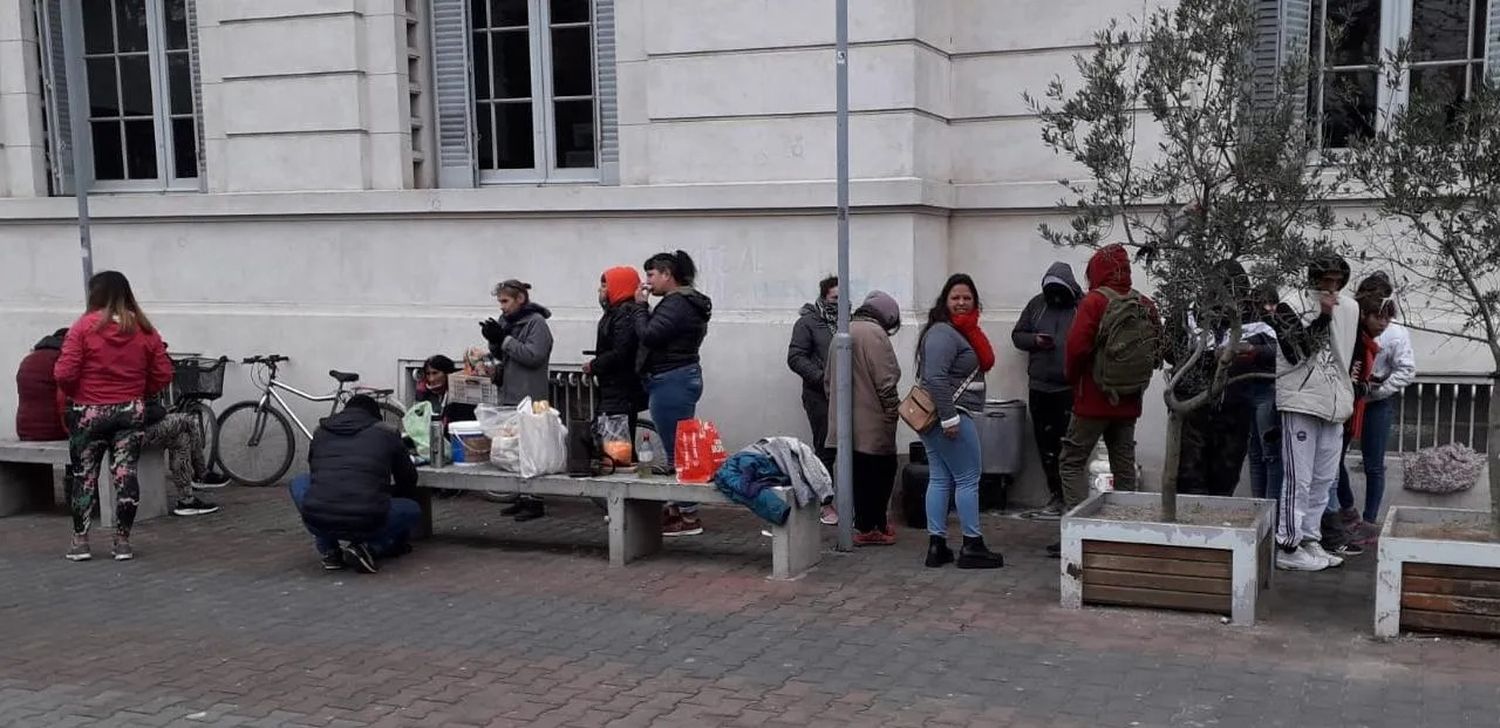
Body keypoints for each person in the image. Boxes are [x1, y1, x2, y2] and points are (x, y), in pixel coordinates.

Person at [54, 271, 174, 562]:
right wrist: (138, 390)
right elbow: (164, 373)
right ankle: (122, 542)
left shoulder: (83, 327)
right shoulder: (144, 329)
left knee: (84, 475)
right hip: (130, 410)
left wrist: (78, 393)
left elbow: (64, 373)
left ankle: (80, 542)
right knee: (125, 474)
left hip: (89, 411)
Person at [1053, 244, 1162, 556]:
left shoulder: (1095, 302)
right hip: (1129, 400)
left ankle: (1077, 532)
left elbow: (1075, 349)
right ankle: (1126, 534)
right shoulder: (1144, 303)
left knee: (1072, 462)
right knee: (1123, 464)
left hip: (1092, 399)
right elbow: (1158, 349)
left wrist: (1074, 381)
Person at [1268, 254, 1359, 572]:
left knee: (1324, 478)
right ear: (1314, 277)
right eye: (1326, 279)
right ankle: (1287, 544)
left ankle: (1309, 538)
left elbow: (1351, 352)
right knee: (1299, 477)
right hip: (1301, 400)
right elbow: (1295, 353)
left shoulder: (1350, 308)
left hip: (1335, 402)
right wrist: (1322, 317)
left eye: (1337, 280)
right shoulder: (1289, 305)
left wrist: (1351, 392)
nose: (1332, 286)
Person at [917, 274, 1005, 570]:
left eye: (967, 297)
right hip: (952, 416)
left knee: (941, 478)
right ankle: (972, 545)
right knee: (968, 478)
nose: (961, 302)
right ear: (945, 301)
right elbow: (935, 378)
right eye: (955, 297)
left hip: (939, 419)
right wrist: (950, 418)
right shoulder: (944, 333)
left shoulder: (959, 332)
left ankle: (937, 546)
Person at [289, 395, 420, 574]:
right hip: (367, 520)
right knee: (412, 508)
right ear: (375, 415)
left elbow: (316, 473)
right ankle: (369, 547)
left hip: (318, 520)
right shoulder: (387, 433)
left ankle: (329, 551)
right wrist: (386, 495)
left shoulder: (320, 431)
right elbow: (408, 478)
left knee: (299, 482)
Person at [633, 251, 713, 537]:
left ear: (667, 274)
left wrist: (640, 307)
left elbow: (650, 335)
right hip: (679, 376)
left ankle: (689, 516)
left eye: (651, 275)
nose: (647, 282)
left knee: (678, 448)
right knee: (679, 445)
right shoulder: (685, 302)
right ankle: (677, 509)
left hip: (672, 379)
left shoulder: (676, 303)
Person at [1334, 274, 1415, 545]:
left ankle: (1369, 522)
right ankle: (1348, 511)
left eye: (1386, 315)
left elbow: (1406, 370)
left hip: (1377, 401)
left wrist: (1377, 391)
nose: (1382, 321)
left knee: (1374, 464)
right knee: (1333, 458)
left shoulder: (1396, 331)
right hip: (1347, 398)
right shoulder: (1350, 324)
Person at [1173, 261, 1261, 498]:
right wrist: (1205, 356)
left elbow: (1273, 352)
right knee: (1190, 476)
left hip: (1234, 409)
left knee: (1225, 477)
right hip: (1194, 408)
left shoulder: (1254, 318)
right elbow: (1171, 352)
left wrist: (1247, 349)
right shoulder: (1189, 313)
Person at [826, 291, 902, 545]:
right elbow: (886, 379)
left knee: (857, 475)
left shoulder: (842, 332)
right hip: (873, 423)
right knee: (881, 473)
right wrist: (892, 412)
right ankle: (872, 527)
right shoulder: (875, 335)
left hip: (846, 422)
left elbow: (828, 381)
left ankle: (866, 524)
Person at [1010, 262, 1081, 518]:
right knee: (1045, 446)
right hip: (1040, 387)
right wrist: (1035, 341)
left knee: (1069, 446)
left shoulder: (1080, 307)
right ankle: (1055, 495)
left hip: (1069, 388)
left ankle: (1072, 499)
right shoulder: (1037, 305)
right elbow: (1018, 335)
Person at [479, 279, 554, 521]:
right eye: (499, 301)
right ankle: (522, 496)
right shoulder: (507, 322)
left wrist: (504, 340)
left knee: (533, 449)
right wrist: (493, 341)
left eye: (505, 301)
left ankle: (536, 500)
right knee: (514, 450)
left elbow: (533, 356)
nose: (502, 307)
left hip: (531, 395)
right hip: (509, 392)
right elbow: (503, 354)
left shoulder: (537, 323)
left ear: (520, 299)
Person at [788, 276, 840, 525]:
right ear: (823, 297)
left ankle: (848, 501)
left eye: (843, 298)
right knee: (825, 447)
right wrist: (823, 379)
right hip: (819, 395)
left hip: (848, 394)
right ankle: (824, 503)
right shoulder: (807, 323)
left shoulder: (849, 322)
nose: (839, 303)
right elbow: (796, 357)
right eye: (834, 298)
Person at [585, 266, 648, 435]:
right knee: (616, 441)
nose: (600, 290)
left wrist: (595, 365)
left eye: (605, 286)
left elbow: (622, 352)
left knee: (617, 444)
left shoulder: (624, 314)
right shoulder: (617, 312)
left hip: (621, 388)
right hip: (615, 388)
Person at [1243, 284, 1284, 504]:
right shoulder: (1248, 325)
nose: (1268, 308)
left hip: (1269, 391)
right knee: (1255, 454)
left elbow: (1282, 352)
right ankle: (1258, 505)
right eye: (1263, 303)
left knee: (1270, 454)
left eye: (1272, 303)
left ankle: (1271, 509)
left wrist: (1255, 351)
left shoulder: (1279, 326)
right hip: (1249, 389)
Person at [142, 410, 220, 516]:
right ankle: (200, 473)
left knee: (181, 439)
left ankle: (186, 500)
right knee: (188, 420)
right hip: (134, 430)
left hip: (142, 425)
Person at [16, 328, 70, 442]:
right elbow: (63, 399)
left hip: (24, 430)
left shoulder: (28, 359)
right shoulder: (62, 360)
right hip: (52, 432)